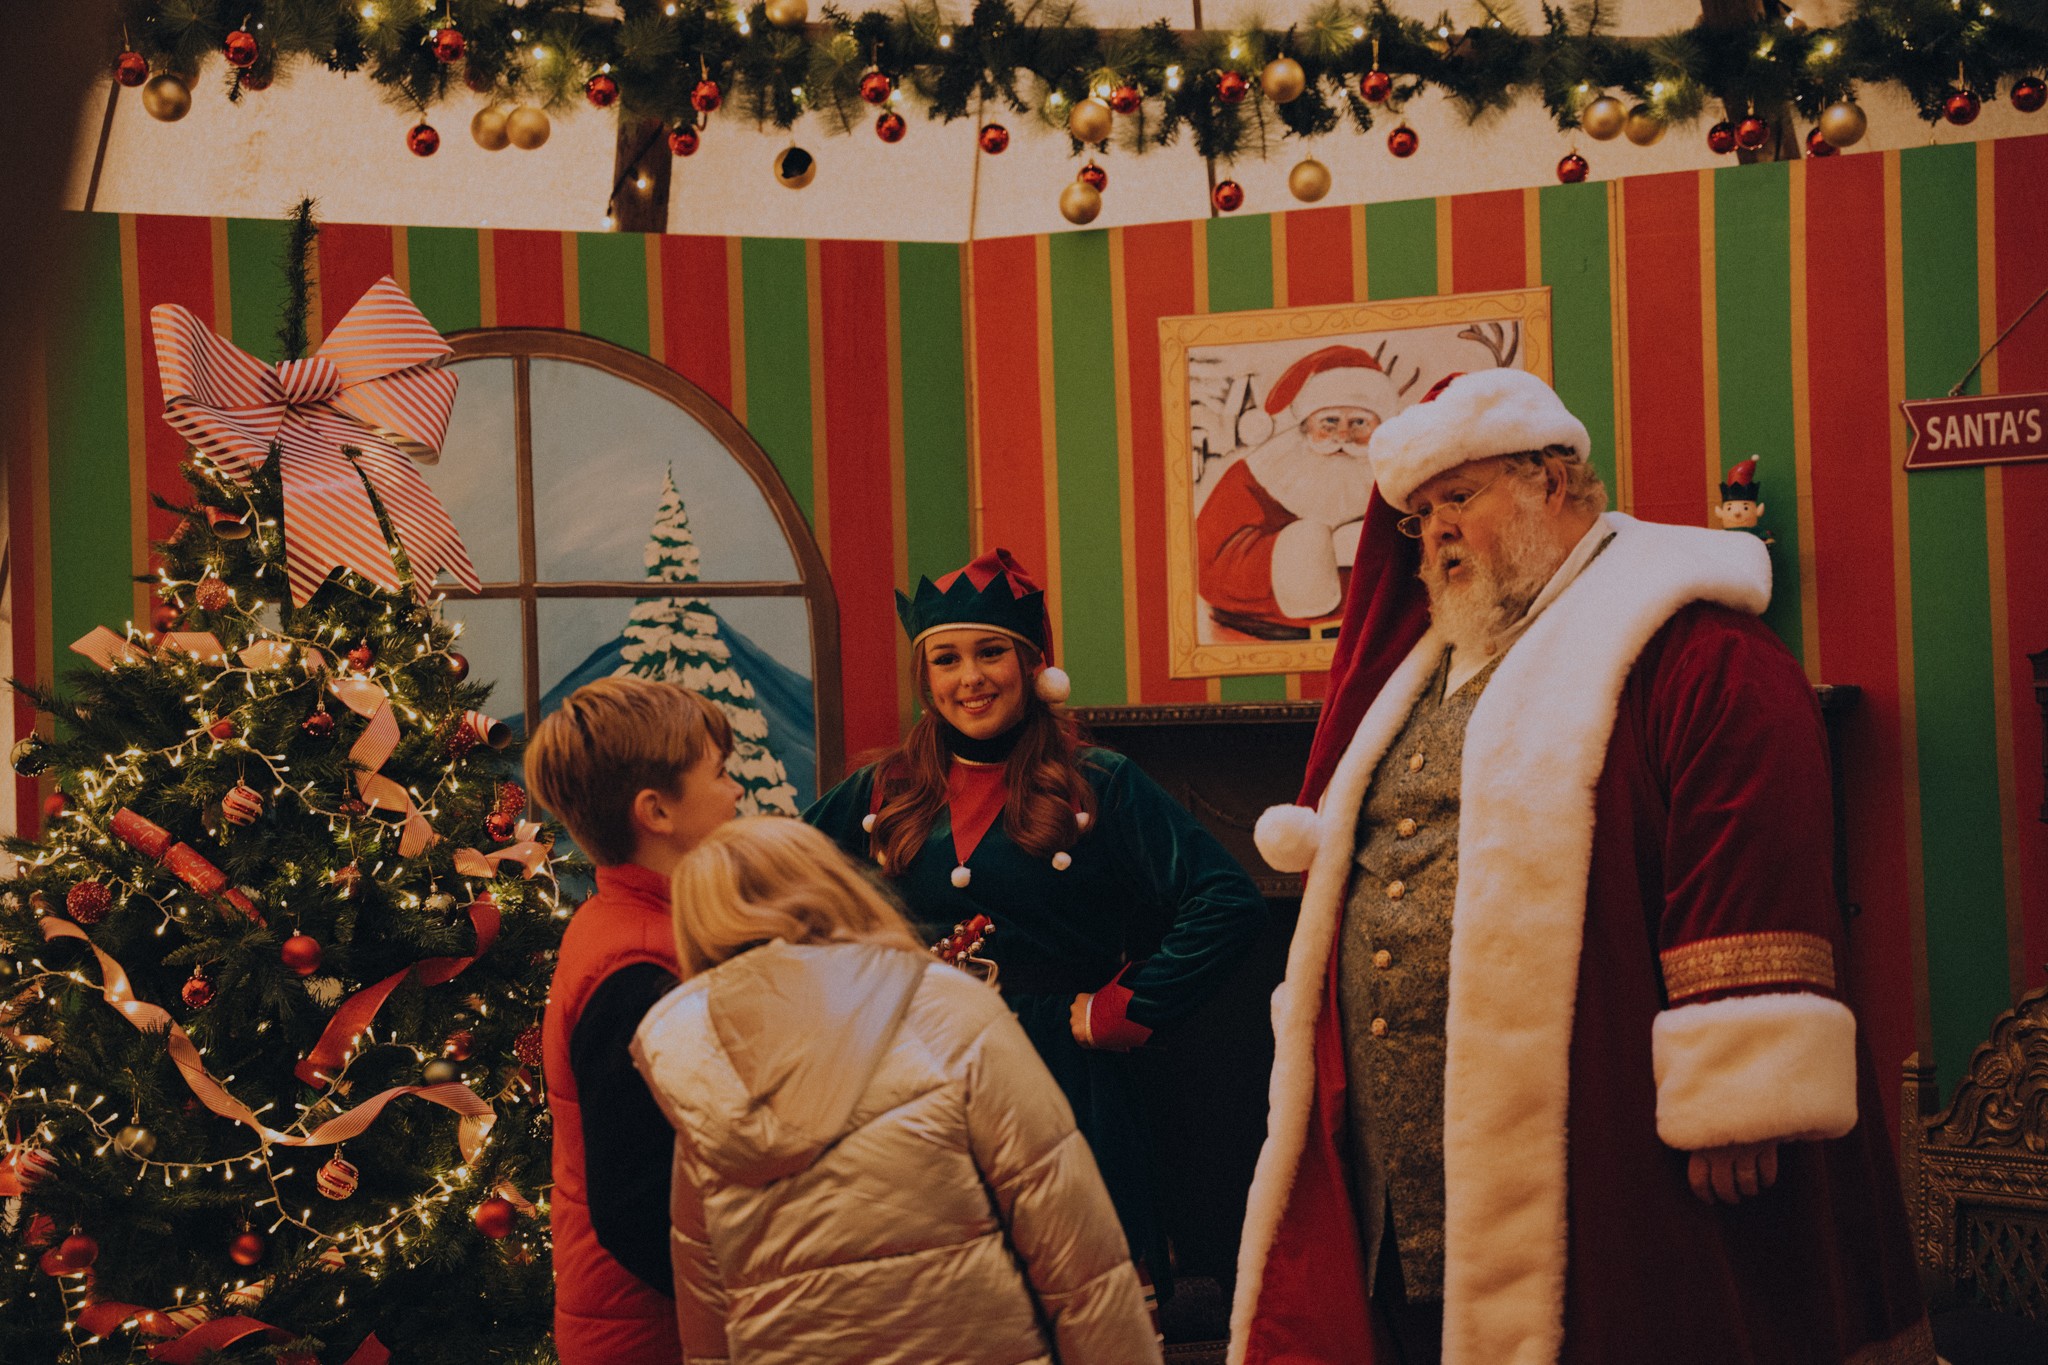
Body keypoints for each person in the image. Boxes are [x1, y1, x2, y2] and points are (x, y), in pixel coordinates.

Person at [1232, 369, 1931, 1365]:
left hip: (1604, 1127)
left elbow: (1751, 851)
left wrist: (1738, 1088)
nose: (1435, 533)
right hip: (1409, 1146)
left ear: (1553, 482)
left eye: (1459, 498)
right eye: (1421, 514)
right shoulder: (1423, 671)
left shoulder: (1692, 648)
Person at [804, 547, 1267, 1301]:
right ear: (926, 676)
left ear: (1031, 664)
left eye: (991, 653)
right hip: (917, 1079)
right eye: (947, 658)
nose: (970, 677)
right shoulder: (881, 788)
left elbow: (1227, 901)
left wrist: (1121, 1006)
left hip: (1060, 1073)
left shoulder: (1101, 782)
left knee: (1080, 1300)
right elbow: (766, 894)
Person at [630, 816, 1162, 1365]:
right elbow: (1078, 1260)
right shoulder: (951, 1012)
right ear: (832, 887)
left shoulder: (704, 1078)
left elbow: (707, 1322)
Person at [528, 676, 742, 1365]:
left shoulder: (638, 921)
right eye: (721, 773)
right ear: (657, 810)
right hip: (656, 1333)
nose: (737, 792)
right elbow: (640, 1204)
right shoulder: (637, 970)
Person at [1197, 345, 1400, 640]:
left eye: (1359, 423)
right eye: (1329, 422)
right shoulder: (1257, 473)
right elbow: (1207, 563)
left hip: (1370, 636)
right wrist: (1300, 552)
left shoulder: (1396, 477)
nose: (1343, 436)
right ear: (1306, 424)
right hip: (1266, 633)